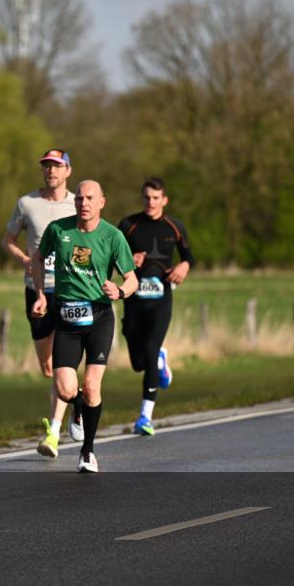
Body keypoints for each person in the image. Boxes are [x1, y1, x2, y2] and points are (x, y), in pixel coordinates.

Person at [31, 180, 136, 473]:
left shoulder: (112, 236)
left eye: (90, 198)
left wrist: (120, 291)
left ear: (102, 202)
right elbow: (37, 259)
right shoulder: (59, 230)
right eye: (79, 198)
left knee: (91, 386)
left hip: (100, 316)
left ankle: (87, 451)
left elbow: (132, 278)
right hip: (66, 316)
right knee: (66, 390)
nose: (84, 203)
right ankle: (77, 408)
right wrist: (41, 293)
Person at [1, 148, 81, 459]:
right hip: (36, 292)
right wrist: (24, 259)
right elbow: (7, 239)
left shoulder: (78, 203)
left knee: (63, 363)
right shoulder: (27, 203)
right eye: (47, 166)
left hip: (70, 290)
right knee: (48, 367)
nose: (50, 171)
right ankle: (75, 397)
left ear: (67, 171)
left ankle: (53, 433)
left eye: (56, 166)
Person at [118, 177, 194, 436]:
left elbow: (188, 257)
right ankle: (160, 362)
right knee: (138, 362)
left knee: (149, 350)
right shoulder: (128, 225)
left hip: (161, 300)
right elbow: (110, 260)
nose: (150, 202)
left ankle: (144, 417)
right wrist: (129, 260)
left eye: (155, 198)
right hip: (133, 300)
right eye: (146, 197)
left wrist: (184, 266)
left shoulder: (174, 226)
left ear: (164, 200)